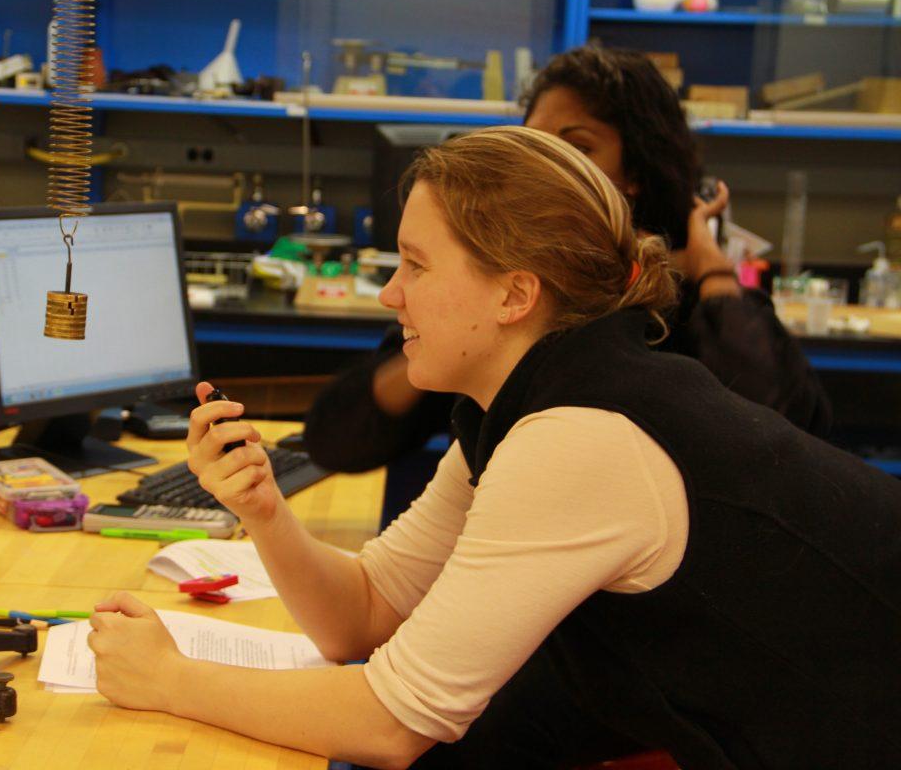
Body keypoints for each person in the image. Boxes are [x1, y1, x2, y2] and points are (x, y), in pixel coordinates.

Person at [86, 127, 901, 769]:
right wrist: (262, 511)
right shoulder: (525, 407)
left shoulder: (582, 438)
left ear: (515, 294)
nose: (389, 293)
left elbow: (393, 723)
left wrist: (169, 680)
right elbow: (366, 617)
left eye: (414, 265)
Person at [304, 46, 830, 478]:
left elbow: (782, 440)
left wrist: (711, 267)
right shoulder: (492, 289)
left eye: (577, 147)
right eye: (533, 143)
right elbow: (336, 440)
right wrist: (438, 345)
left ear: (636, 174)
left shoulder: (692, 308)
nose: (545, 166)